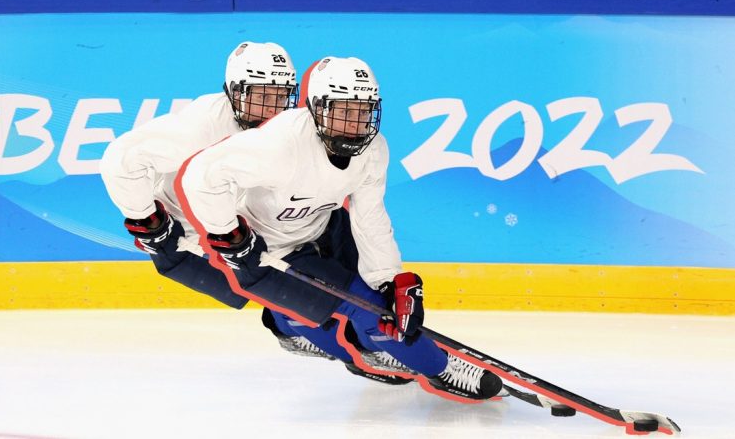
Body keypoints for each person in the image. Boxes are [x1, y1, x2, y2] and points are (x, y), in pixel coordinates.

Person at [179, 56, 504, 401]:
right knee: (367, 307)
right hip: (270, 251)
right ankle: (440, 369)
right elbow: (201, 176)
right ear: (317, 108)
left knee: (382, 299)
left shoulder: (373, 149)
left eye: (363, 112)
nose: (355, 124)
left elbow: (370, 216)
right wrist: (229, 235)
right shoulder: (278, 145)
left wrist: (389, 278)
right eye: (344, 111)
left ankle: (360, 344)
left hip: (322, 225)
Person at [99, 42, 407, 384]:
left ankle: (338, 334)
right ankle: (296, 328)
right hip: (194, 237)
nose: (272, 107)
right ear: (233, 91)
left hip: (250, 224)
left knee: (329, 239)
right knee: (263, 278)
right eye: (261, 95)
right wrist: (147, 219)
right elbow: (122, 159)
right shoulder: (202, 127)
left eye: (281, 95)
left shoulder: (286, 135)